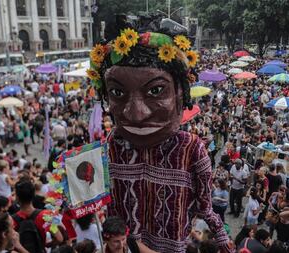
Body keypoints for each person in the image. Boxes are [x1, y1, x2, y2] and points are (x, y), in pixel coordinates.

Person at [92, 15, 231, 252]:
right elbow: (97, 196)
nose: (136, 114)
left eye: (156, 90)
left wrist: (222, 239)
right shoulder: (113, 144)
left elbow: (205, 207)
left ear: (181, 93)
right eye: (117, 92)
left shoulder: (190, 148)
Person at [13, 179, 63, 252]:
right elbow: (59, 238)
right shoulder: (46, 215)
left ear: (17, 197)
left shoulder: (11, 220)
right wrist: (45, 245)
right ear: (34, 195)